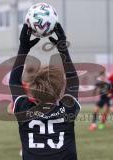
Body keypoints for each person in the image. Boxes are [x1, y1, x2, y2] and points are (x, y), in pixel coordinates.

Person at [9, 23, 80, 160]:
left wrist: (23, 47)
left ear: (33, 92)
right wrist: (62, 48)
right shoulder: (67, 109)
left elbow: (14, 82)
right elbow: (73, 80)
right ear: (59, 90)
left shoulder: (24, 109)